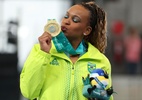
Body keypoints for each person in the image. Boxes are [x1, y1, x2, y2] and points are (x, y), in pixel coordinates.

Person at [20, 1, 113, 100]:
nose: (66, 21)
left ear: (87, 30)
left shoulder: (99, 61)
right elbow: (28, 92)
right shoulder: (40, 51)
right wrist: (43, 54)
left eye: (75, 20)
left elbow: (105, 97)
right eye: (66, 16)